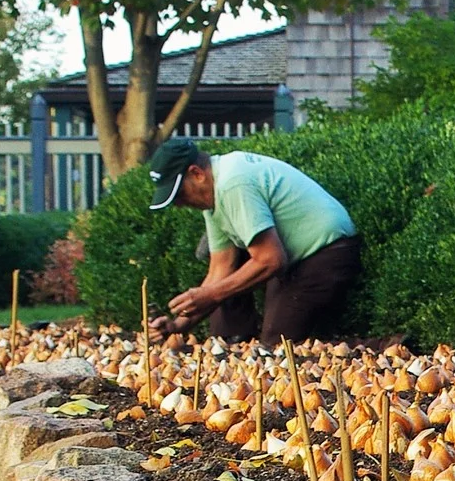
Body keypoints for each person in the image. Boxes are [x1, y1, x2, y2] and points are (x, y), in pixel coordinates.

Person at [145, 136, 363, 343]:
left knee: (277, 346)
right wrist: (178, 325)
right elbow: (221, 268)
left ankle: (364, 350)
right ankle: (232, 343)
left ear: (197, 173)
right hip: (295, 257)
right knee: (232, 341)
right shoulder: (213, 196)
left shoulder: (232, 184)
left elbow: (271, 260)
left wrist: (211, 295)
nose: (179, 205)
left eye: (179, 195)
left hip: (328, 252)